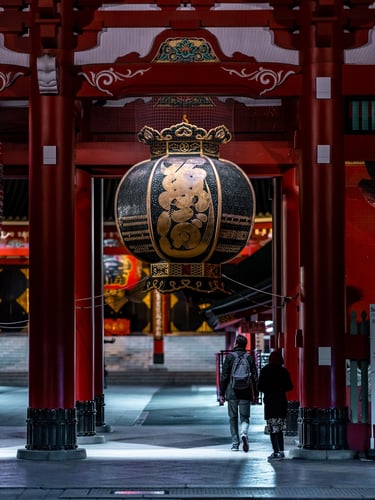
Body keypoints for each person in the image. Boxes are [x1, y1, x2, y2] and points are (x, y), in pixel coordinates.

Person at [219, 335, 258, 452]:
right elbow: (255, 377)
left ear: (235, 344)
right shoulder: (249, 358)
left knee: (233, 418)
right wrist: (256, 393)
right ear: (245, 345)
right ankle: (244, 433)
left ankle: (235, 444)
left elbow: (224, 376)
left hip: (231, 391)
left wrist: (222, 392)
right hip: (245, 391)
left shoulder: (229, 357)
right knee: (245, 417)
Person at [257, 349, 293, 461]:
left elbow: (259, 387)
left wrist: (269, 389)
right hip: (281, 401)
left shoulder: (265, 370)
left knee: (272, 429)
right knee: (280, 428)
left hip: (270, 402)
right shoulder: (284, 371)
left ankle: (276, 451)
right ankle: (281, 450)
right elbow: (290, 387)